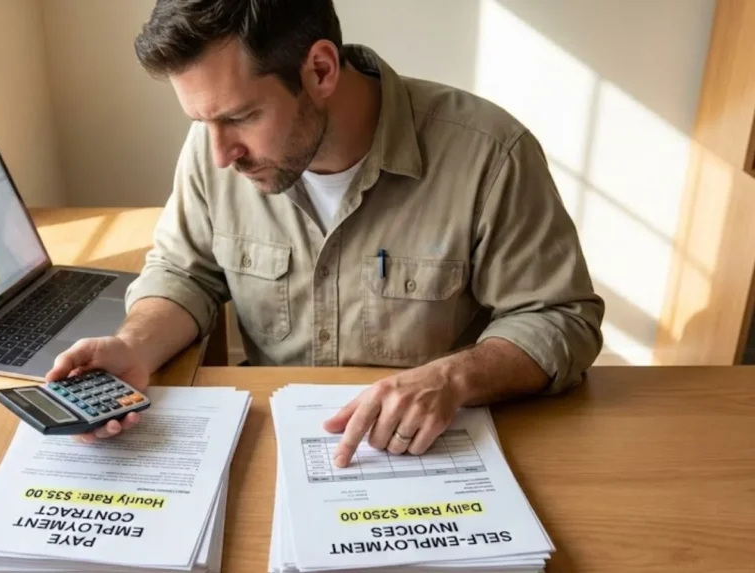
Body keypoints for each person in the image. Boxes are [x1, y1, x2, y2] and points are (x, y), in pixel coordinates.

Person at [46, 0, 604, 467]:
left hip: (435, 454)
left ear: (319, 70)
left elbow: (561, 319)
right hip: (277, 447)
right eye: (202, 123)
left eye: (240, 117)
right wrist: (135, 346)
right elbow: (183, 271)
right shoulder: (214, 152)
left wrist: (453, 378)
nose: (220, 154)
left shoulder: (489, 154)